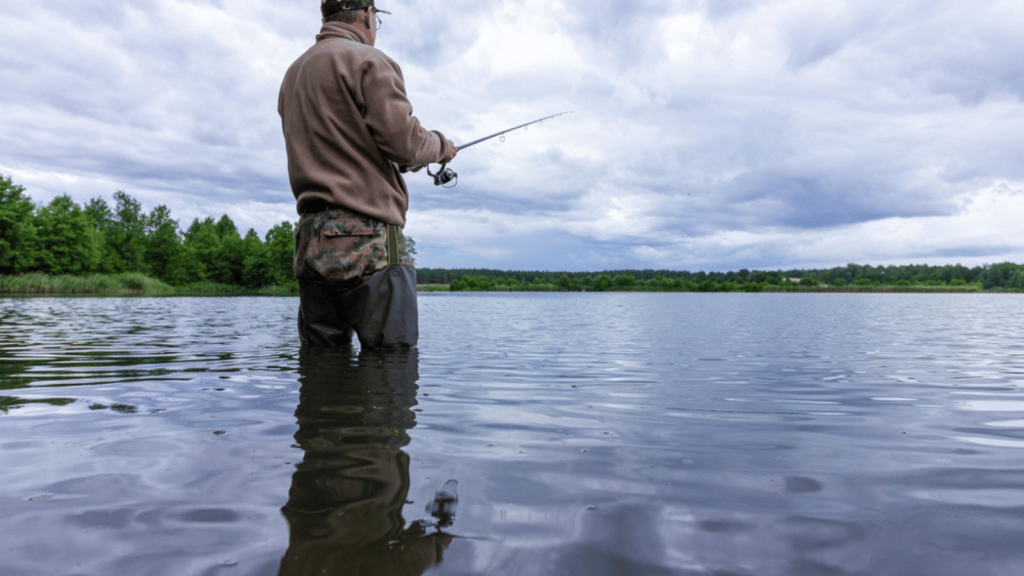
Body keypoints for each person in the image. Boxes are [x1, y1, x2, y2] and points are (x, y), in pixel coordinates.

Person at [279, 0, 457, 349]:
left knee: (322, 372)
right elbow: (405, 142)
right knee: (391, 371)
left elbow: (346, 142)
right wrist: (440, 146)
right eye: (377, 17)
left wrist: (402, 160)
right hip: (370, 242)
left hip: (311, 245)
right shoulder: (369, 61)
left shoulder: (293, 73)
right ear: (365, 14)